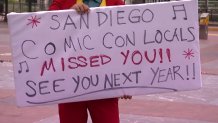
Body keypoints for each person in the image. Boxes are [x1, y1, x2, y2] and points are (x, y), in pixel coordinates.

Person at [49, 0, 131, 123]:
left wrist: (128, 81)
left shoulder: (116, 2)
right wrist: (67, 15)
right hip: (70, 86)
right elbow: (46, 28)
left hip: (105, 86)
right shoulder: (62, 1)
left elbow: (129, 41)